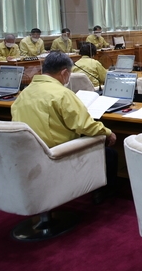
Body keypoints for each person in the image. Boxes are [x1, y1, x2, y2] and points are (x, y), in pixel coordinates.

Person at [11, 51, 118, 203]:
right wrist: (107, 133)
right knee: (110, 153)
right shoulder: (62, 94)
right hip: (55, 155)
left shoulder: (23, 94)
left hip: (26, 157)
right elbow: (85, 126)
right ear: (64, 73)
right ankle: (102, 197)